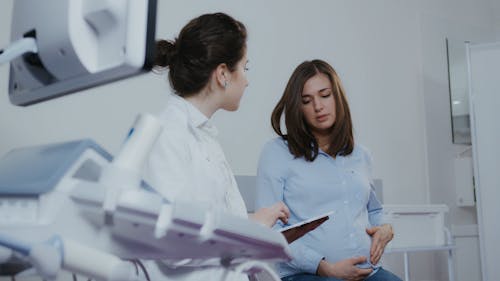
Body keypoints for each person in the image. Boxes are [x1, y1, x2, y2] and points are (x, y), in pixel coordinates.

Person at [142, 12, 294, 281]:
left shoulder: (204, 135)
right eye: (244, 68)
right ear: (223, 73)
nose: (246, 80)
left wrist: (253, 224)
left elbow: (212, 224)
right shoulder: (168, 135)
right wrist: (248, 231)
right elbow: (175, 244)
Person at [255, 59, 402, 281]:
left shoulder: (360, 155)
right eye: (307, 100)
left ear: (337, 97)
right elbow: (270, 231)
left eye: (325, 95)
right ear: (298, 107)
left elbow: (373, 211)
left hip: (367, 271)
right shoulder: (277, 153)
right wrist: (323, 267)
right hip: (307, 274)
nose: (318, 106)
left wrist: (385, 228)